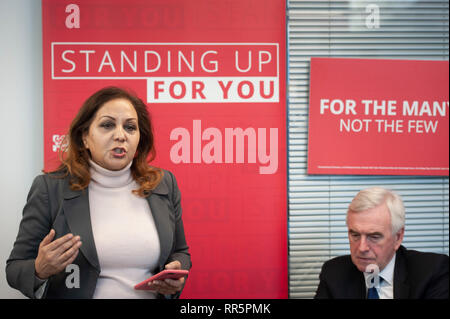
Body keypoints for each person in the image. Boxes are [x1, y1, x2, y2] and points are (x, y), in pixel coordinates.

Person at [6, 86, 191, 299]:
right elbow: (15, 269)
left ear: (140, 137)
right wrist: (40, 269)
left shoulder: (163, 183)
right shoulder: (50, 188)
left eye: (130, 127)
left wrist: (177, 270)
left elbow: (181, 251)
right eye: (107, 125)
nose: (120, 135)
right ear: (84, 136)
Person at [315, 187, 448, 299]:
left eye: (374, 236)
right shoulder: (334, 273)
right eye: (355, 235)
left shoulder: (432, 272)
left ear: (398, 237)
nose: (362, 248)